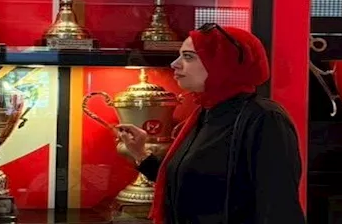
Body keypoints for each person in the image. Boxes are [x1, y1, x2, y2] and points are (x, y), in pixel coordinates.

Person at [117, 23, 306, 224]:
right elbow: (188, 186)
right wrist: (140, 153)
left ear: (222, 63)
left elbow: (279, 206)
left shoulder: (264, 118)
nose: (175, 64)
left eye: (188, 56)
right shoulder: (204, 112)